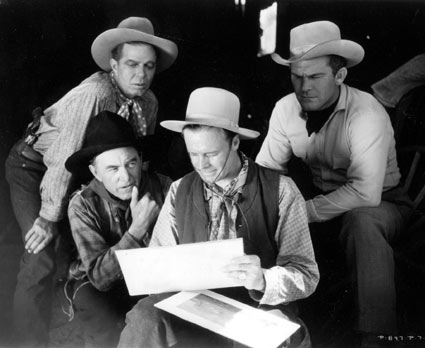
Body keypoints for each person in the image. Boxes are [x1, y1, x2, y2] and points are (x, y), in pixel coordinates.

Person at [4, 16, 177, 347]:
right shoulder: (95, 94)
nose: (141, 75)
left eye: (149, 66)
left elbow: (136, 154)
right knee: (40, 251)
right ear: (114, 63)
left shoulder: (149, 101)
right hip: (36, 166)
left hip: (90, 167)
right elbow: (61, 158)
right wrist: (47, 217)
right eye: (131, 64)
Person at [117, 87, 319, 348]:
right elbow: (160, 264)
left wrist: (264, 279)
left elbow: (306, 275)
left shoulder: (281, 190)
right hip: (194, 307)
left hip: (259, 306)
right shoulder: (180, 190)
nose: (202, 165)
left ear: (235, 142)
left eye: (211, 154)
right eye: (193, 154)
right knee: (145, 316)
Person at [255, 21, 413, 347]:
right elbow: (266, 170)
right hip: (321, 199)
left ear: (339, 76)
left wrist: (301, 212)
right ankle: (277, 324)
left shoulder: (366, 113)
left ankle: (376, 337)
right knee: (264, 213)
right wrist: (266, 205)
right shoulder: (285, 108)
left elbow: (365, 193)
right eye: (297, 76)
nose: (303, 86)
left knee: (362, 222)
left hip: (383, 203)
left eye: (315, 77)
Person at [62, 110, 171, 348]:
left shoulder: (164, 186)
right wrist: (137, 229)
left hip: (155, 278)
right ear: (95, 172)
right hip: (105, 285)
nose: (126, 177)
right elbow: (100, 277)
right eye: (112, 169)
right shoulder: (82, 203)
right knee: (93, 303)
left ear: (141, 160)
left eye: (131, 163)